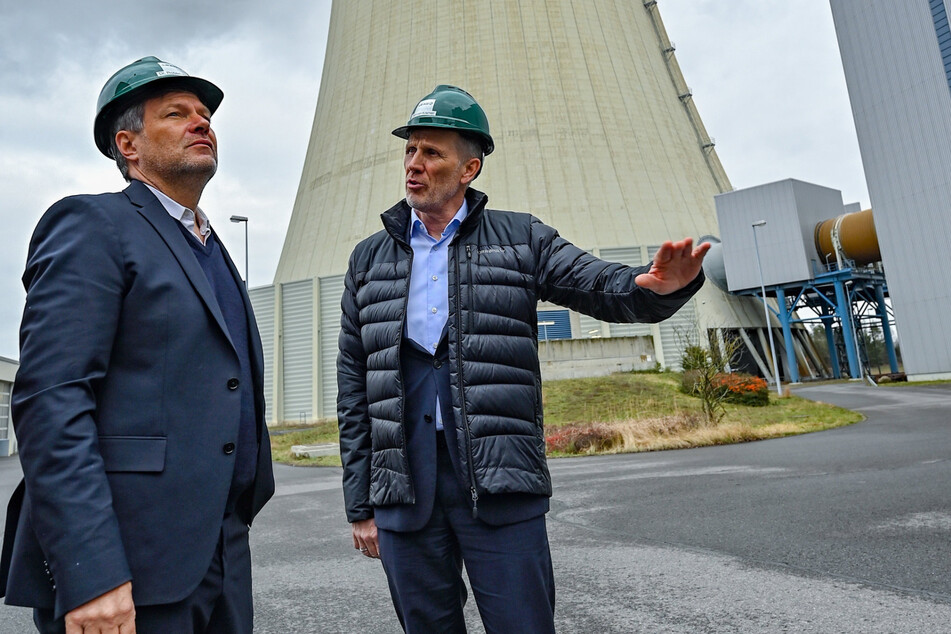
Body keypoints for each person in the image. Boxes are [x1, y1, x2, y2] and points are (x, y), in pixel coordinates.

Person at [337, 84, 710, 633]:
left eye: (431, 153)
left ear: (469, 168)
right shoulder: (369, 259)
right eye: (410, 151)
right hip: (404, 490)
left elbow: (595, 283)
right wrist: (361, 502)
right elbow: (353, 384)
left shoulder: (519, 239)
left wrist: (652, 286)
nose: (414, 165)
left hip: (498, 481)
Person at [0, 56, 274, 633]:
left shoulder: (214, 248)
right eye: (177, 114)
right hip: (128, 568)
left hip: (219, 557)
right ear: (128, 144)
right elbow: (52, 402)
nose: (202, 122)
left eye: (205, 115)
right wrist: (92, 572)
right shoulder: (93, 226)